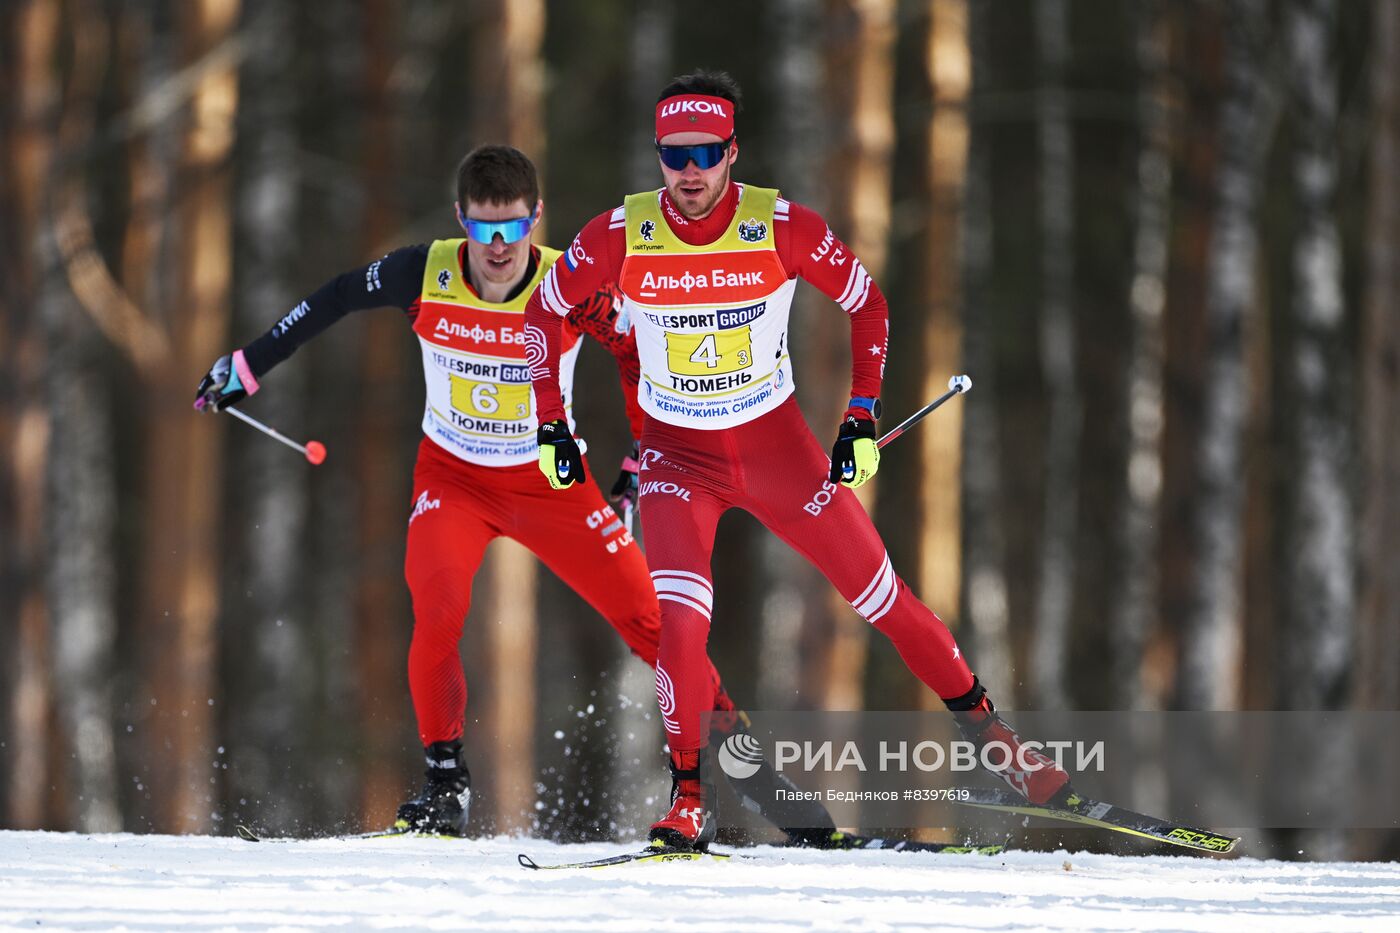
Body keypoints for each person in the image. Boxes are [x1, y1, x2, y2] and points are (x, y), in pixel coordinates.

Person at [194, 144, 842, 841]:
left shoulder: (573, 281)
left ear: (535, 219)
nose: (498, 247)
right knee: (436, 605)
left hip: (552, 486)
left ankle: (755, 777)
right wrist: (248, 364)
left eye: (512, 228)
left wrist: (640, 448)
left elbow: (641, 353)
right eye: (482, 229)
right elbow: (336, 296)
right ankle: (445, 783)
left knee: (657, 627)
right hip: (455, 478)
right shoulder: (426, 272)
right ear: (460, 221)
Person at [525, 71, 1076, 852]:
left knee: (885, 599)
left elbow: (868, 302)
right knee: (680, 629)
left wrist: (859, 417)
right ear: (658, 157)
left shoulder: (779, 225)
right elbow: (542, 314)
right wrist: (553, 423)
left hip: (777, 450)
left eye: (706, 154)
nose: (689, 172)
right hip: (677, 459)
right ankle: (688, 798)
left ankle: (1001, 746)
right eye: (674, 154)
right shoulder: (618, 234)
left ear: (731, 154)